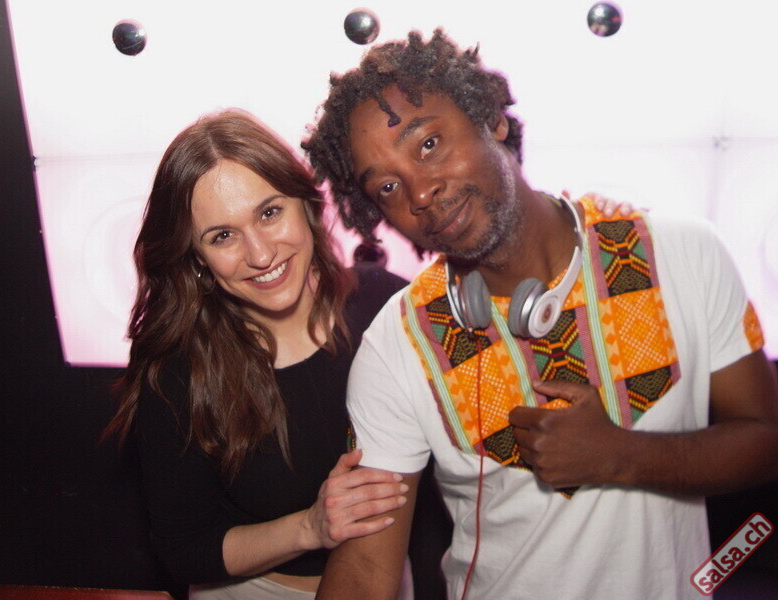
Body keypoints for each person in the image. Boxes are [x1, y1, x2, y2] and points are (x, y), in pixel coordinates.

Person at [302, 30, 778, 599]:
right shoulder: (399, 343)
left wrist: (622, 457)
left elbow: (765, 439)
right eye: (386, 186)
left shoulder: (684, 253)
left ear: (490, 119)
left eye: (428, 144)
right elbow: (365, 570)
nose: (420, 193)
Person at [102, 109, 411, 599]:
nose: (262, 254)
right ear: (197, 258)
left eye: (269, 213)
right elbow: (184, 549)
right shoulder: (179, 368)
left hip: (385, 580)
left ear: (306, 203)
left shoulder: (387, 305)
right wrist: (310, 527)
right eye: (223, 236)